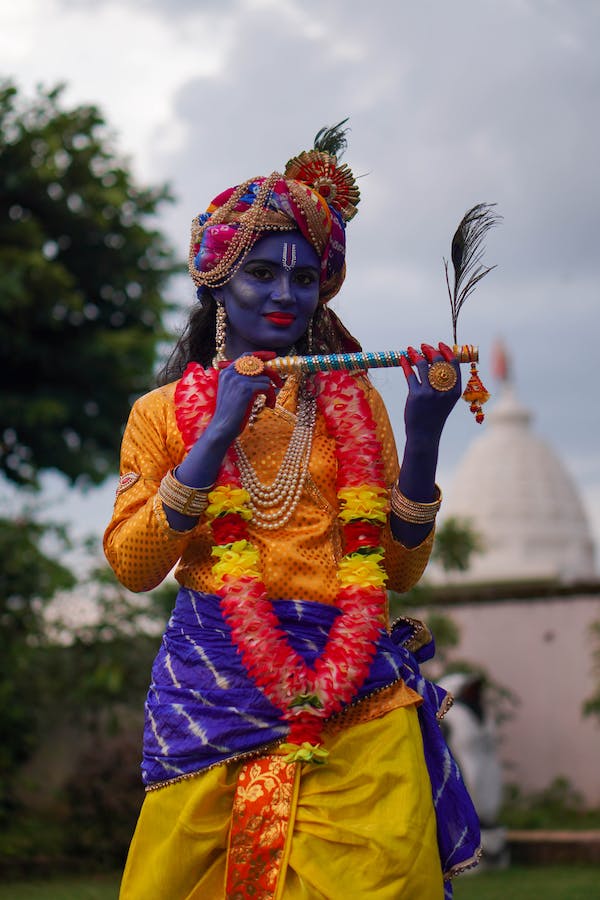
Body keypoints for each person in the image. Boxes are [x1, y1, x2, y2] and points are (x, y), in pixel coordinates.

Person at [104, 123, 480, 900]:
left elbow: (399, 569)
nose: (284, 294)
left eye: (304, 279)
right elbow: (134, 567)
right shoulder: (161, 413)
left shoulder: (355, 402)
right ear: (218, 284)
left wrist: (422, 437)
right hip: (216, 693)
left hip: (360, 700)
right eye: (263, 274)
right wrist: (213, 437)